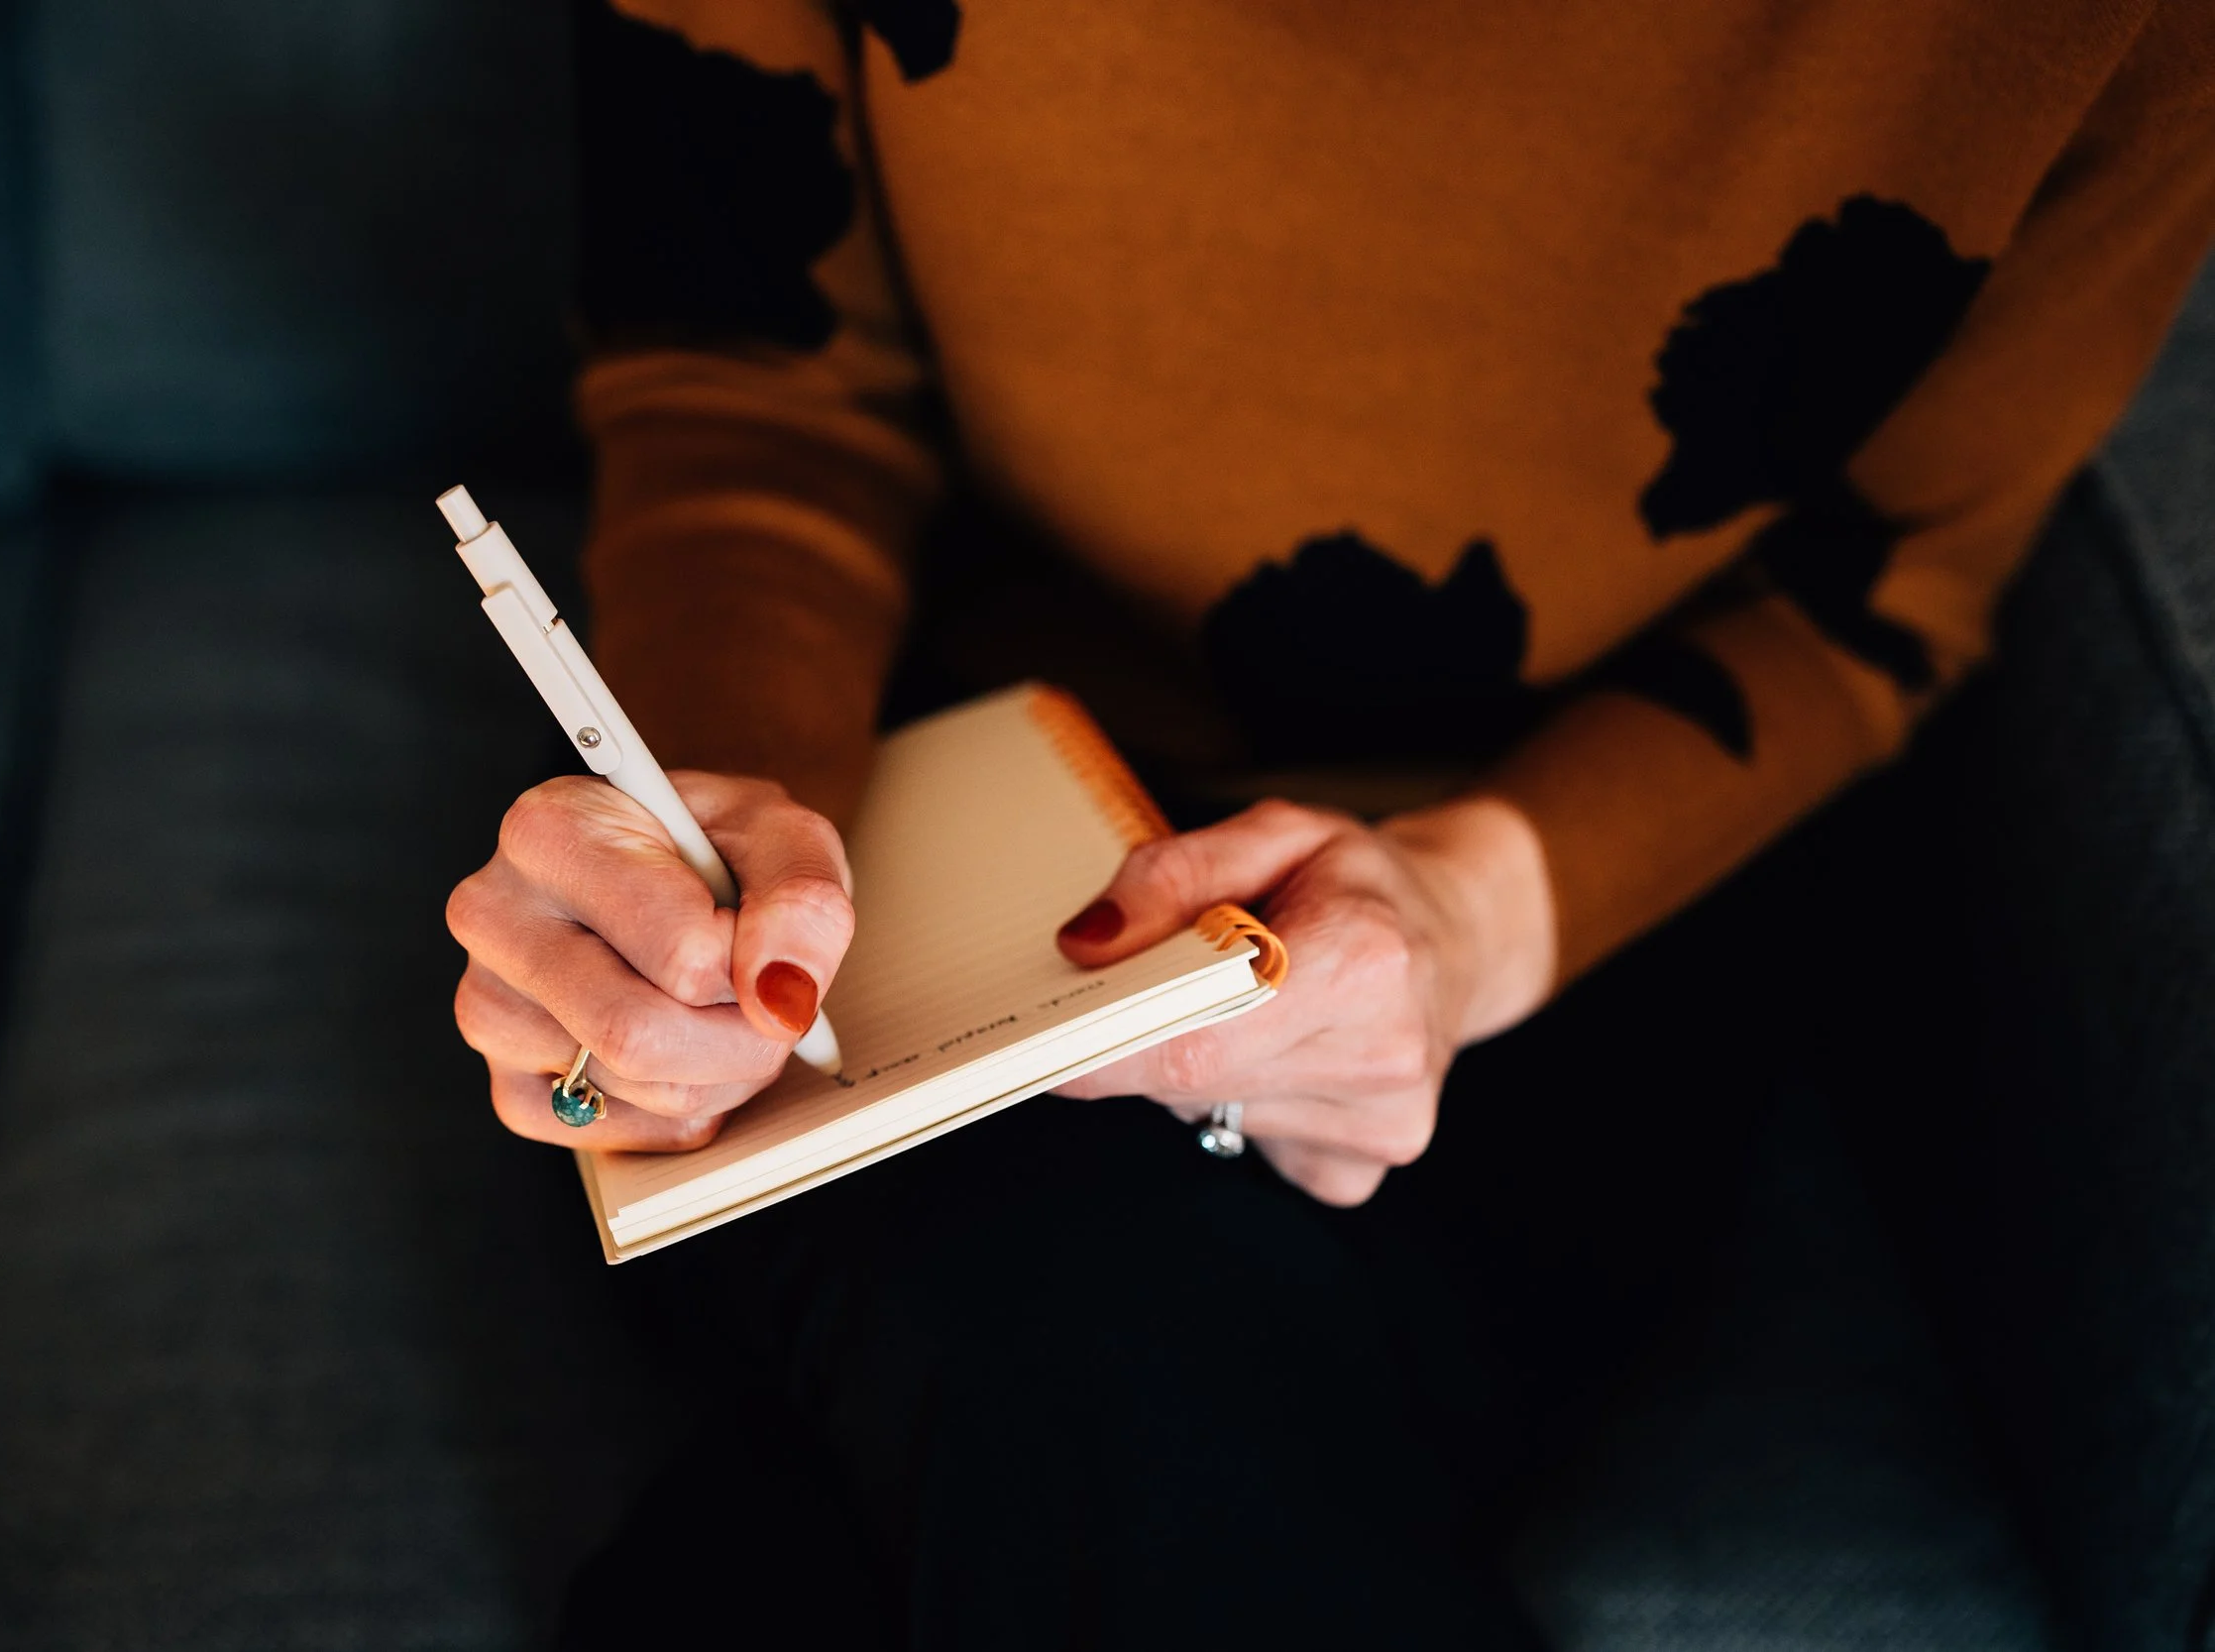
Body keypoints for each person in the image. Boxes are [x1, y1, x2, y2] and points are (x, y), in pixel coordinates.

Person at [445, 2, 2215, 1642]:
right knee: (1066, 1317)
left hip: (1563, 894)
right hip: (909, 800)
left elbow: (1874, 593)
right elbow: (750, 386)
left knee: (876, 1491)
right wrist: (714, 831)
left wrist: (1458, 925)